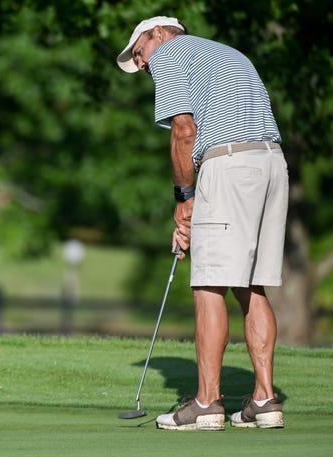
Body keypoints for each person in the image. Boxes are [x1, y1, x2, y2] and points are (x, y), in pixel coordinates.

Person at [116, 16, 288, 431]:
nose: (142, 66)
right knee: (251, 283)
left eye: (138, 54)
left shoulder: (171, 53)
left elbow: (184, 130)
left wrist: (185, 201)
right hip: (272, 164)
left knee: (208, 282)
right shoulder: (225, 53)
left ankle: (207, 403)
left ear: (157, 34)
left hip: (228, 164)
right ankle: (265, 399)